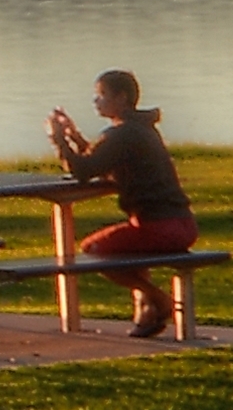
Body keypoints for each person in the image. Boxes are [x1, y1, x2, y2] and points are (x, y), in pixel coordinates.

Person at [45, 70, 198, 339]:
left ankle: (158, 299)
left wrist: (58, 139)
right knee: (122, 247)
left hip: (157, 227)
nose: (96, 101)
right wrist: (74, 137)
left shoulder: (123, 134)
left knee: (95, 250)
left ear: (122, 98)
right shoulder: (141, 129)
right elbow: (104, 163)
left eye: (102, 95)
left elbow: (83, 171)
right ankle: (147, 310)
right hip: (183, 224)